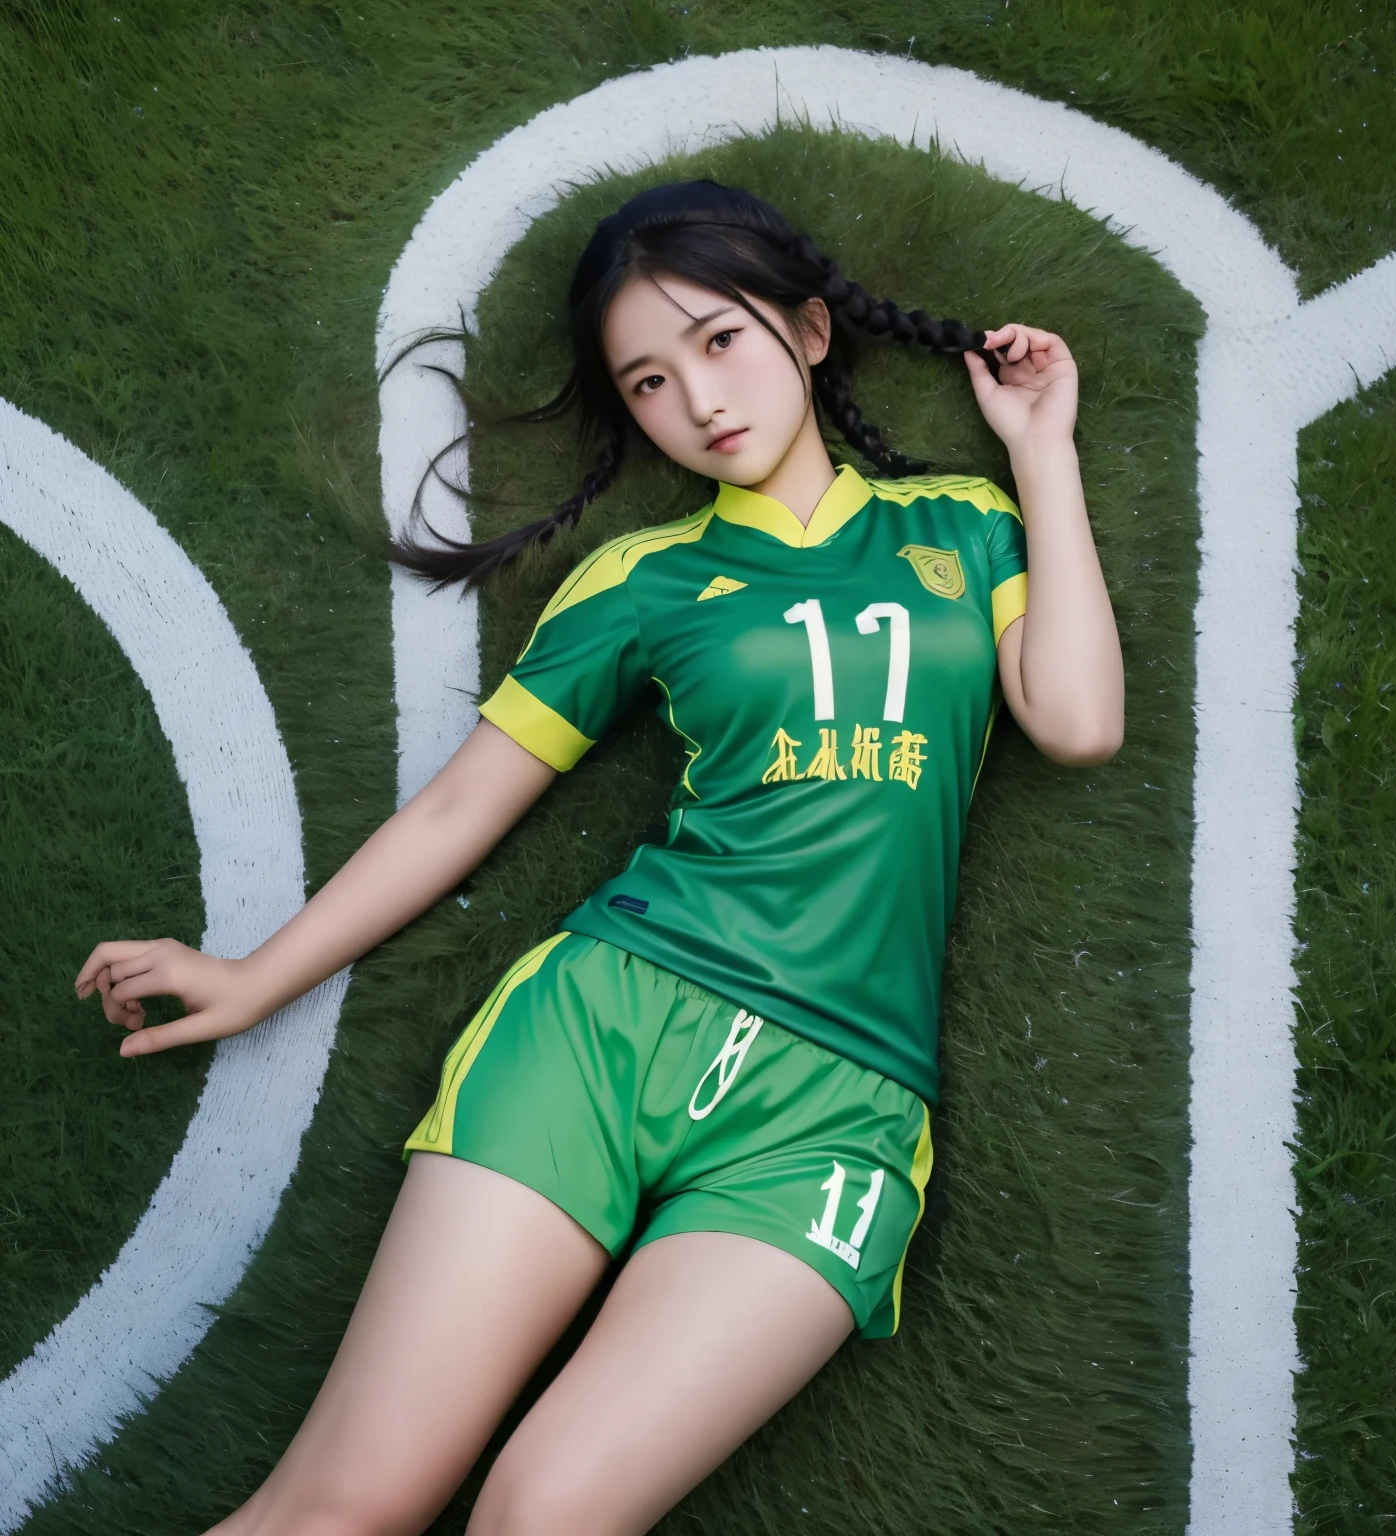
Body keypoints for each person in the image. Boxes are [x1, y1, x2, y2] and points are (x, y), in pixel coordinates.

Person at [75, 180, 1123, 1536]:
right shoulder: (643, 580)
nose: (699, 400)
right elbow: (459, 812)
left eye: (720, 340)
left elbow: (1079, 721)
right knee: (343, 1510)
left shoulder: (963, 528)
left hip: (833, 1119)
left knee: (545, 1517)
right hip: (601, 1032)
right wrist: (254, 978)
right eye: (648, 381)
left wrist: (1042, 452)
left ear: (810, 332)